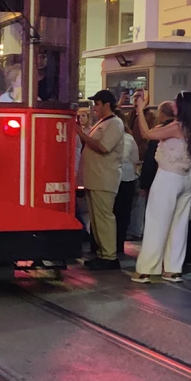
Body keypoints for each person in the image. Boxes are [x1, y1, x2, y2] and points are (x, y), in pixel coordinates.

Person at [130, 90, 191, 283]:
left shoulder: (177, 127)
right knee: (179, 225)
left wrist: (139, 109)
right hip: (186, 179)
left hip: (168, 177)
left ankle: (147, 269)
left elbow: (147, 134)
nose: (173, 105)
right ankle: (172, 269)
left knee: (156, 222)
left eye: (176, 102)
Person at [77, 89, 124, 269]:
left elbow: (104, 147)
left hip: (105, 178)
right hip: (95, 178)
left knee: (104, 217)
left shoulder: (115, 123)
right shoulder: (102, 123)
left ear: (106, 105)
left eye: (97, 104)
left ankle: (110, 256)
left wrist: (80, 133)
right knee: (96, 219)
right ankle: (102, 253)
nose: (94, 108)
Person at [114, 121, 140, 258]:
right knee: (123, 214)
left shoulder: (110, 137)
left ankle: (105, 245)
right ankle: (119, 245)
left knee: (110, 213)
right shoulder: (129, 139)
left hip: (112, 178)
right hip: (128, 178)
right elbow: (135, 158)